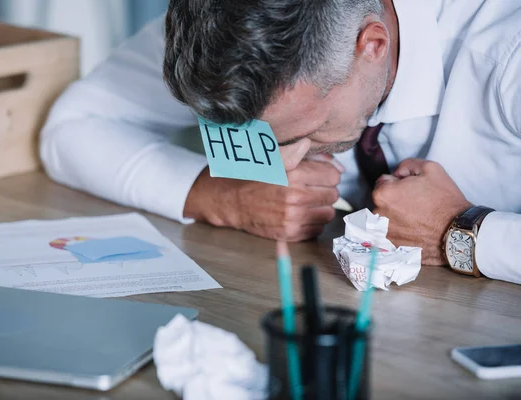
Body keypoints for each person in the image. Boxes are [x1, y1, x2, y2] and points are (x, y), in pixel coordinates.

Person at [40, 0, 521, 284]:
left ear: (372, 46)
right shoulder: (236, 23)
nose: (278, 163)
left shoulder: (507, 56)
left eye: (302, 131)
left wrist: (461, 232)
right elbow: (72, 126)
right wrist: (219, 195)